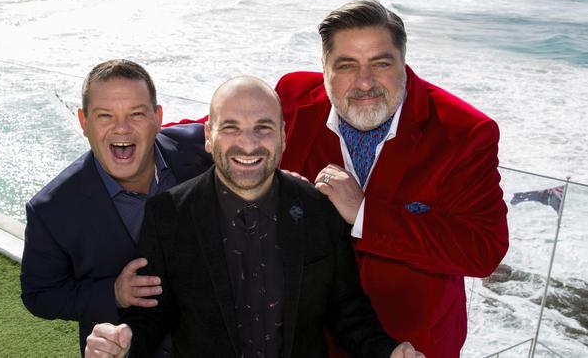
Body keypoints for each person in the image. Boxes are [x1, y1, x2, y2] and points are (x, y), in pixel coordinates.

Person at [84, 76, 425, 358]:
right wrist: (123, 338)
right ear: (208, 137)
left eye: (262, 127)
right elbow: (152, 314)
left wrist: (388, 351)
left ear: (283, 135)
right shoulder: (167, 215)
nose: (248, 144)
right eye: (230, 127)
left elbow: (348, 311)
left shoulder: (321, 210)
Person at [274, 0, 509, 358]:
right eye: (346, 65)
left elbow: (482, 249)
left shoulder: (464, 133)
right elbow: (222, 134)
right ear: (324, 68)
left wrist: (365, 214)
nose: (364, 82)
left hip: (411, 346)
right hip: (308, 341)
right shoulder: (294, 98)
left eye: (380, 63)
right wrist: (154, 135)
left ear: (403, 61)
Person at [20, 59, 212, 356]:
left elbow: (250, 152)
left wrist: (281, 179)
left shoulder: (200, 149)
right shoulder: (50, 209)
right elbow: (39, 295)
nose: (122, 128)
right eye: (105, 116)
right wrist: (113, 293)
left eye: (136, 114)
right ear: (84, 123)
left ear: (157, 117)